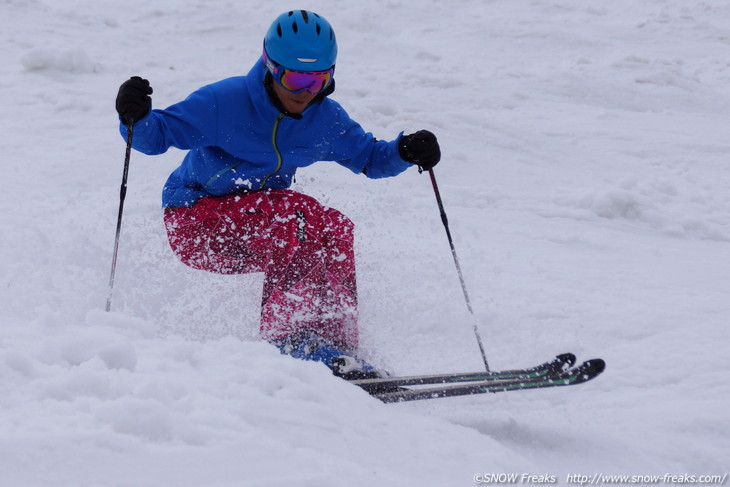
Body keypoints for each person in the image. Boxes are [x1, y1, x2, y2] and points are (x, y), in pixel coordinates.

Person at [115, 10, 440, 379]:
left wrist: (405, 151)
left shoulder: (325, 120)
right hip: (195, 222)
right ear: (271, 67)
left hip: (261, 228)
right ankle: (288, 340)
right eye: (296, 77)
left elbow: (370, 158)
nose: (305, 91)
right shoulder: (226, 101)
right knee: (297, 211)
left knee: (334, 227)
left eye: (318, 80)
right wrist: (136, 117)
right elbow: (155, 136)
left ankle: (336, 348)